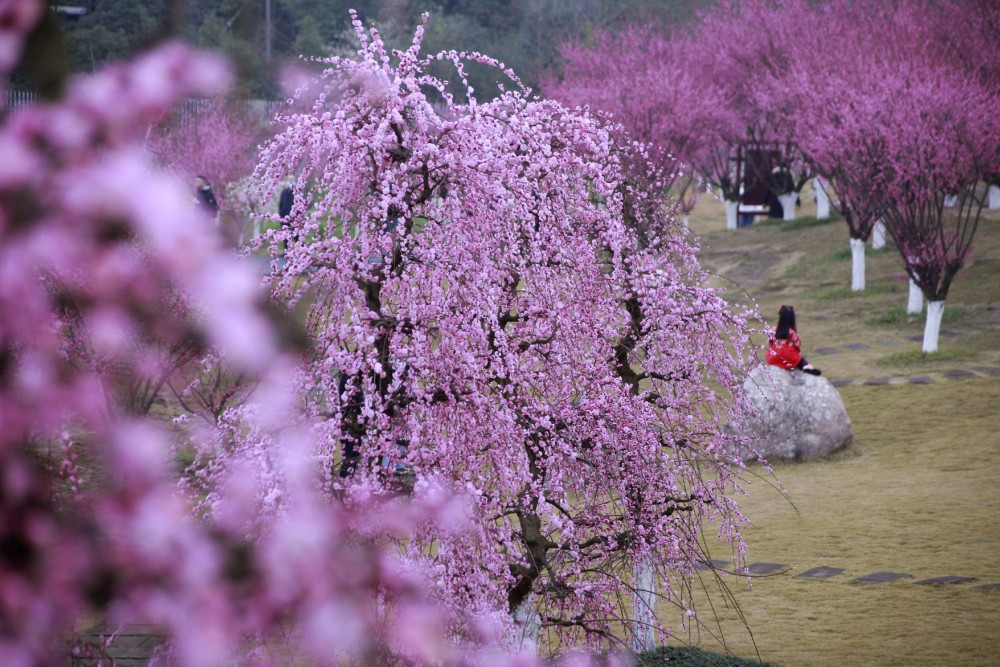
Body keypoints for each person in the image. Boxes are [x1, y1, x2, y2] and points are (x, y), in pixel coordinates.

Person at [767, 305, 821, 375]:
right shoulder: (792, 331)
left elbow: (770, 341)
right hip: (789, 355)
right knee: (801, 360)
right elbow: (797, 344)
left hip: (774, 356)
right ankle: (807, 368)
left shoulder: (774, 329)